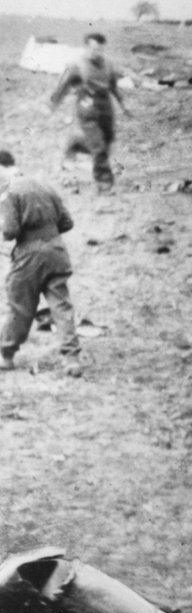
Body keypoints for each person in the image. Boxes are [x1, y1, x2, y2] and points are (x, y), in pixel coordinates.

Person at [0, 151, 81, 376]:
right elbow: (67, 222)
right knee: (61, 305)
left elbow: (10, 231)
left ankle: (5, 354)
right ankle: (71, 359)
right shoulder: (45, 185)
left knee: (20, 305)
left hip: (29, 255)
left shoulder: (8, 191)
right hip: (57, 251)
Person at [50, 33, 128, 191]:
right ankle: (104, 183)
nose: (96, 52)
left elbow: (113, 86)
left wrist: (123, 105)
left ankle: (77, 146)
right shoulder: (76, 65)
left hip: (105, 106)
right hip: (87, 106)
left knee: (106, 142)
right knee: (98, 146)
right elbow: (62, 86)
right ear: (87, 47)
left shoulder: (108, 64)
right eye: (93, 48)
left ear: (103, 49)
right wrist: (52, 104)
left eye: (99, 49)